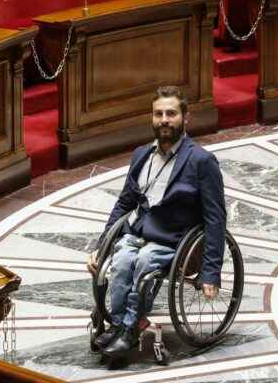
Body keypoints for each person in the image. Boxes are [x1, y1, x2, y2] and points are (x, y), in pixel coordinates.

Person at [86, 85, 227, 358]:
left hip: (173, 240)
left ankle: (127, 329)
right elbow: (124, 205)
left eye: (171, 113)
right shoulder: (141, 155)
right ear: (152, 118)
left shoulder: (201, 161)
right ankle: (117, 323)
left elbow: (215, 219)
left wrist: (211, 272)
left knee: (142, 263)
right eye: (158, 113)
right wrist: (101, 245)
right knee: (119, 263)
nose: (164, 119)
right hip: (137, 233)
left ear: (185, 118)